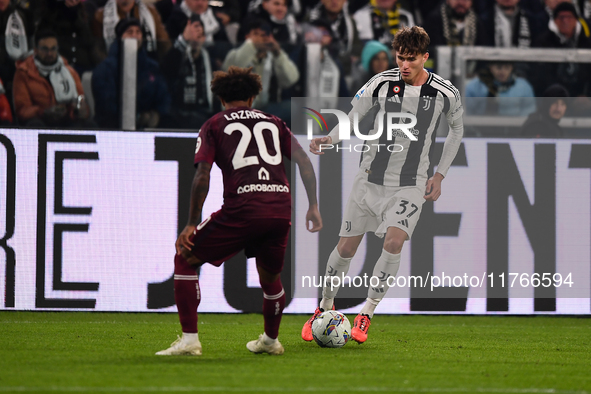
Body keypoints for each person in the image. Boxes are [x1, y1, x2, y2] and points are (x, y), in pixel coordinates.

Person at [302, 26, 464, 344]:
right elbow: (352, 115)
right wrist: (330, 138)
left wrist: (441, 174)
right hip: (369, 180)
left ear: (425, 58)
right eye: (400, 58)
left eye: (411, 59)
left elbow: (456, 130)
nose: (404, 65)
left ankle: (367, 313)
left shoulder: (446, 92)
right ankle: (322, 309)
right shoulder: (380, 83)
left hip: (411, 184)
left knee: (393, 243)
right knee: (346, 248)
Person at [156, 66, 323, 356]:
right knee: (270, 278)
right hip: (280, 207)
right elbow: (304, 162)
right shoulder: (274, 122)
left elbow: (202, 175)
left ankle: (189, 341)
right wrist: (313, 206)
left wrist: (192, 222)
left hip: (244, 207)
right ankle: (271, 341)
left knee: (185, 257)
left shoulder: (214, 124)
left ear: (220, 98)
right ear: (253, 96)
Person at [92, 18, 171, 129]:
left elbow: (163, 96)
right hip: (114, 127)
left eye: (138, 32)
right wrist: (135, 117)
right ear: (120, 37)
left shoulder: (152, 67)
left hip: (147, 127)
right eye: (129, 32)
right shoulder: (106, 68)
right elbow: (106, 104)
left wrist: (156, 114)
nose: (135, 36)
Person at [222, 19, 299, 125]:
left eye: (264, 35)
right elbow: (233, 69)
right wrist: (251, 45)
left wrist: (278, 53)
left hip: (267, 110)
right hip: (240, 111)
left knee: (292, 107)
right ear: (247, 37)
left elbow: (291, 79)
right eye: (256, 34)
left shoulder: (274, 58)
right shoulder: (235, 54)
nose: (260, 38)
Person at [13, 29, 93, 128]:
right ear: (35, 50)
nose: (49, 53)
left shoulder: (70, 72)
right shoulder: (23, 73)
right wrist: (43, 112)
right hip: (40, 121)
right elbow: (22, 111)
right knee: (35, 125)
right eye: (45, 49)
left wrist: (79, 111)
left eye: (53, 49)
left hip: (66, 121)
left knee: (88, 125)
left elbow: (81, 101)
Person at [160, 18, 218, 129]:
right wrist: (184, 40)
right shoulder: (175, 56)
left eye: (199, 35)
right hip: (177, 114)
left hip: (203, 114)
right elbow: (167, 71)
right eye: (192, 34)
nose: (195, 39)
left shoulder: (209, 61)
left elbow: (215, 92)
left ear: (204, 38)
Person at [92, 0, 171, 62]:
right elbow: (98, 50)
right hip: (115, 68)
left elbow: (164, 43)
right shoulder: (101, 16)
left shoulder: (150, 13)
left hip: (146, 65)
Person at [465, 61, 536, 116]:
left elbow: (529, 114)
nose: (503, 72)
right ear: (491, 67)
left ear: (512, 68)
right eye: (499, 67)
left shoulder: (523, 86)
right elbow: (467, 113)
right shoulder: (475, 86)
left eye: (507, 67)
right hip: (480, 131)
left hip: (514, 131)